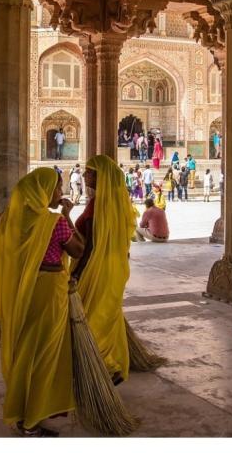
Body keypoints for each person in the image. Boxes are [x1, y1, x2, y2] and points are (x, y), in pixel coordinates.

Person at [0, 167, 84, 437]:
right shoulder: (54, 223)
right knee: (44, 352)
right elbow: (78, 250)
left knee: (25, 348)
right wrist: (67, 215)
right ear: (44, 192)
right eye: (57, 188)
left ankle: (20, 410)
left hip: (22, 288)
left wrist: (16, 258)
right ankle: (31, 421)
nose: (60, 193)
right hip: (48, 290)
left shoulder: (12, 218)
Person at [73, 155, 137, 385]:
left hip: (96, 268)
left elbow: (89, 245)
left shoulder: (97, 206)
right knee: (107, 314)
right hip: (114, 268)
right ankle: (113, 363)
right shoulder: (117, 202)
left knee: (92, 317)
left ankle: (104, 366)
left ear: (100, 176)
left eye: (89, 172)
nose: (84, 175)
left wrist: (77, 272)